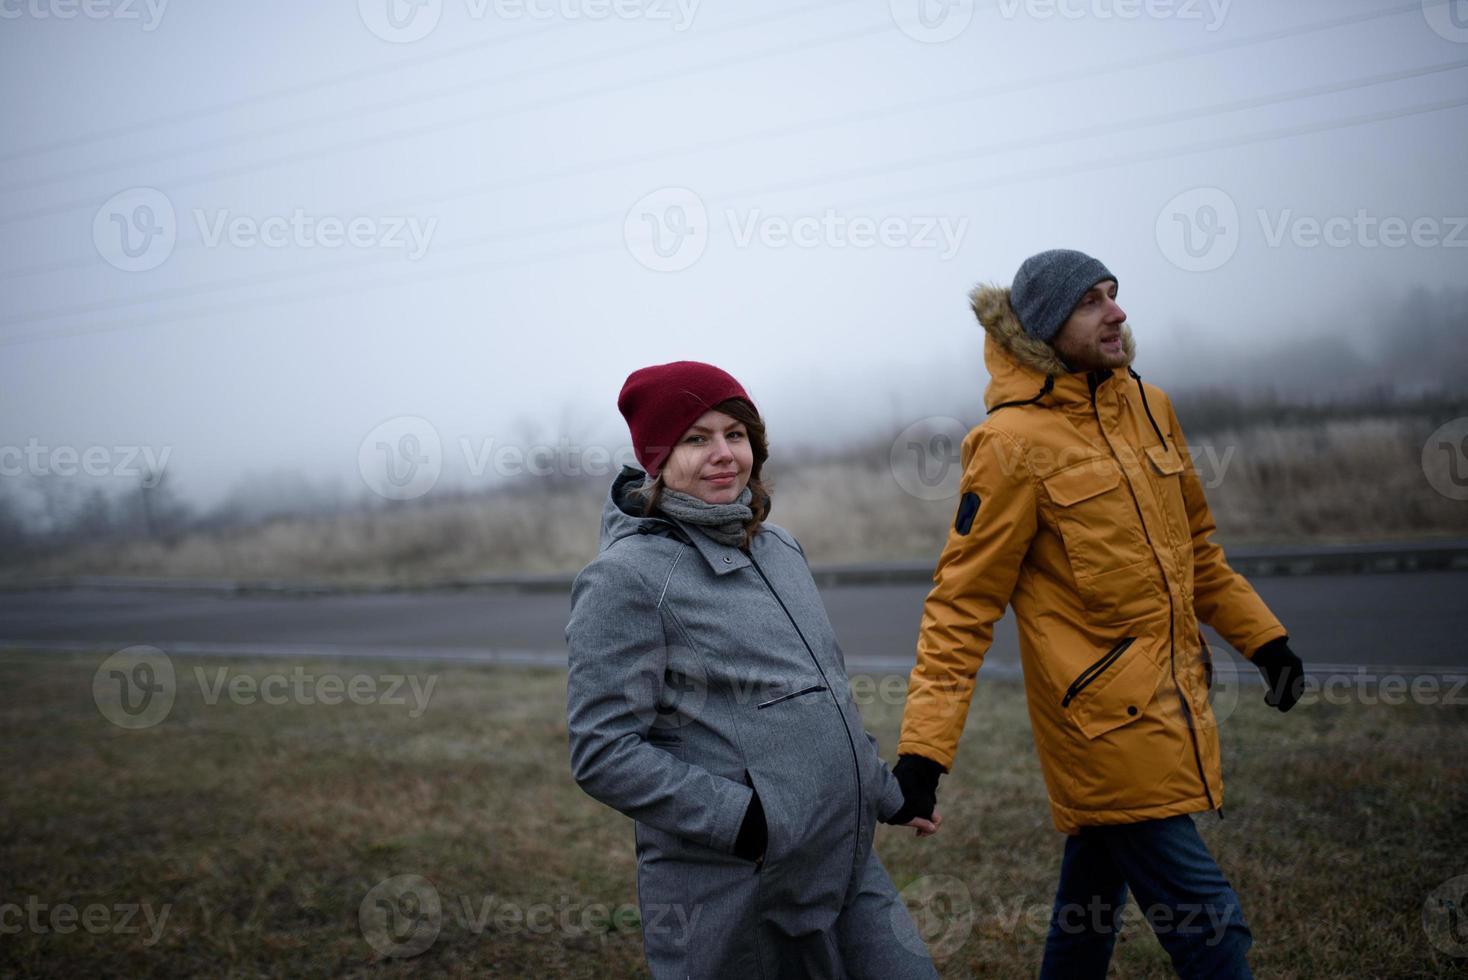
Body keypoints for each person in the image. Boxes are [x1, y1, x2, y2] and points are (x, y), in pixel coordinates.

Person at [891, 250, 1307, 979]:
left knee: (1088, 910)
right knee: (1211, 928)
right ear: (1045, 328)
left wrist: (1264, 640)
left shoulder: (1150, 407)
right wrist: (925, 753)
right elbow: (962, 604)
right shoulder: (1009, 444)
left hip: (1174, 703)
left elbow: (1197, 552)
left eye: (1115, 295)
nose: (1116, 311)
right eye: (1091, 302)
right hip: (1100, 728)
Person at [565, 360, 941, 979]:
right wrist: (751, 823)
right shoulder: (625, 579)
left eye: (735, 435)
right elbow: (602, 750)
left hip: (844, 861)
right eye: (695, 438)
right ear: (658, 459)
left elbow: (823, 698)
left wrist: (882, 791)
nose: (722, 455)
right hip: (741, 884)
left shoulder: (779, 547)